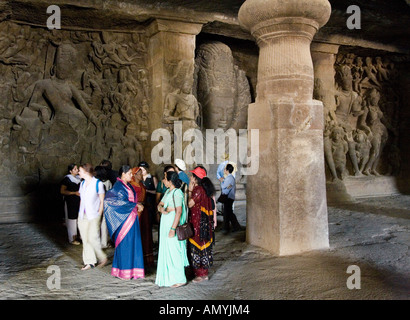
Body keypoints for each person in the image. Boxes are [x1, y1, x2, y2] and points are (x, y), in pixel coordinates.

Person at [104, 165, 145, 280]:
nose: (131, 176)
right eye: (129, 174)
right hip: (124, 220)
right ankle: (124, 271)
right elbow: (113, 201)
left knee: (133, 243)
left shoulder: (128, 186)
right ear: (123, 174)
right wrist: (135, 205)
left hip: (132, 218)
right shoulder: (118, 187)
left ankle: (133, 270)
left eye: (132, 174)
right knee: (125, 244)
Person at [155, 171, 189, 287]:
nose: (163, 181)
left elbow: (179, 212)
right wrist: (161, 209)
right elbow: (159, 204)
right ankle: (170, 277)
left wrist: (173, 228)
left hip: (171, 226)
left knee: (174, 252)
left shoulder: (177, 192)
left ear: (170, 181)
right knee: (167, 251)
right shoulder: (168, 192)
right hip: (165, 226)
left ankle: (180, 279)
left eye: (165, 179)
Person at [187, 166, 216, 283]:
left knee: (197, 247)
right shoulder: (206, 189)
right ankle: (205, 274)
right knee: (204, 247)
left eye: (192, 175)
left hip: (197, 224)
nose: (190, 177)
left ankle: (199, 274)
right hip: (205, 224)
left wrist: (189, 190)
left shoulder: (198, 190)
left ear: (195, 178)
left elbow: (190, 204)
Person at [77, 163, 107, 270]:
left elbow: (102, 199)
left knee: (92, 238)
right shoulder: (82, 184)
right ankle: (89, 262)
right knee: (85, 238)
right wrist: (80, 213)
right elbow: (82, 200)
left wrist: (100, 212)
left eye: (80, 170)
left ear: (86, 172)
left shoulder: (97, 184)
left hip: (94, 214)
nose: (78, 172)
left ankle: (102, 257)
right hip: (83, 215)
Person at [130, 167, 154, 269]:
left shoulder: (141, 184)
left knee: (145, 234)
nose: (141, 175)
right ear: (134, 175)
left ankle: (145, 260)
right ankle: (136, 260)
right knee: (138, 233)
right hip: (137, 212)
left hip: (144, 211)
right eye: (139, 174)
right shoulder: (131, 186)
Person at [60, 164, 81, 245]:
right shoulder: (67, 179)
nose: (77, 170)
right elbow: (62, 191)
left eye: (77, 168)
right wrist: (73, 193)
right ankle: (72, 238)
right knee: (71, 219)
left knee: (78, 219)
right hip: (70, 201)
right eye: (75, 169)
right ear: (70, 171)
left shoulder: (79, 178)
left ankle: (78, 236)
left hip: (78, 201)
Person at [220, 164, 241, 234]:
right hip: (230, 197)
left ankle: (235, 226)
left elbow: (223, 187)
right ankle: (227, 227)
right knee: (227, 212)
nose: (224, 170)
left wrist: (222, 181)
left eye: (225, 169)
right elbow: (228, 187)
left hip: (228, 198)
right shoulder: (231, 178)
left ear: (227, 170)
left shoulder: (229, 178)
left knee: (228, 213)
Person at [95, 165, 112, 248]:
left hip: (97, 205)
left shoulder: (95, 182)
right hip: (105, 204)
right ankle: (104, 243)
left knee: (96, 224)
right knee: (104, 224)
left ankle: (97, 242)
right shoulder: (108, 182)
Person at [138, 161, 158, 226]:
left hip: (150, 203)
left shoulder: (152, 178)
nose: (142, 172)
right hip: (141, 203)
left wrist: (147, 191)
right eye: (140, 170)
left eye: (143, 170)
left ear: (146, 169)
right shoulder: (138, 179)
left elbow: (156, 191)